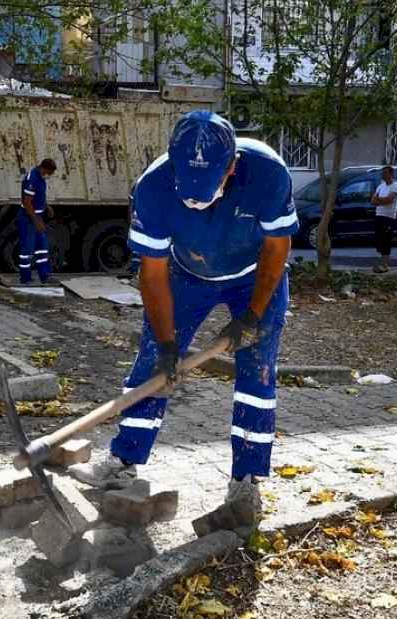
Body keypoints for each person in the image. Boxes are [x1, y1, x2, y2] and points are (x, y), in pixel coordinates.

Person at [69, 111, 297, 535]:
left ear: (231, 167)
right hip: (186, 275)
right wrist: (167, 343)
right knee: (152, 362)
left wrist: (251, 315)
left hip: (255, 277)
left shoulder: (267, 173)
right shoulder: (153, 188)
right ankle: (123, 461)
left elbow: (276, 248)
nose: (193, 202)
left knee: (258, 371)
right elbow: (152, 274)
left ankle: (246, 481)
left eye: (204, 191)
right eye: (187, 191)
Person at [19, 159, 58, 284]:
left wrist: (47, 206)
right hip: (28, 218)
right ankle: (25, 278)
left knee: (42, 248)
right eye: (49, 172)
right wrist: (36, 221)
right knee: (27, 250)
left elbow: (39, 196)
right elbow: (27, 202)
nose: (49, 175)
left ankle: (44, 276)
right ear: (44, 168)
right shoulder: (32, 178)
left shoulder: (41, 178)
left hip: (38, 216)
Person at [370, 166, 397, 273]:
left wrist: (379, 200)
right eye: (382, 173)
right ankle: (383, 262)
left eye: (385, 173)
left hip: (389, 217)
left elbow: (389, 200)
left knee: (386, 240)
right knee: (379, 241)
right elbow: (372, 201)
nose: (382, 175)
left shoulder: (396, 186)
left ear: (391, 174)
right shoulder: (381, 186)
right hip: (379, 215)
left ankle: (385, 265)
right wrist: (380, 200)